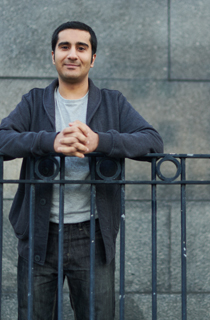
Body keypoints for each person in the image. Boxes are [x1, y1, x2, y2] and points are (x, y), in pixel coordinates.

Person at [0, 21, 163, 319]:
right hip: (39, 232)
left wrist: (99, 141)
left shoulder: (113, 102)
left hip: (93, 233)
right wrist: (50, 141)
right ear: (53, 56)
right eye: (64, 47)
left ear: (93, 58)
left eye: (81, 48)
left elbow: (152, 143)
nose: (72, 54)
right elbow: (2, 139)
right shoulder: (35, 100)